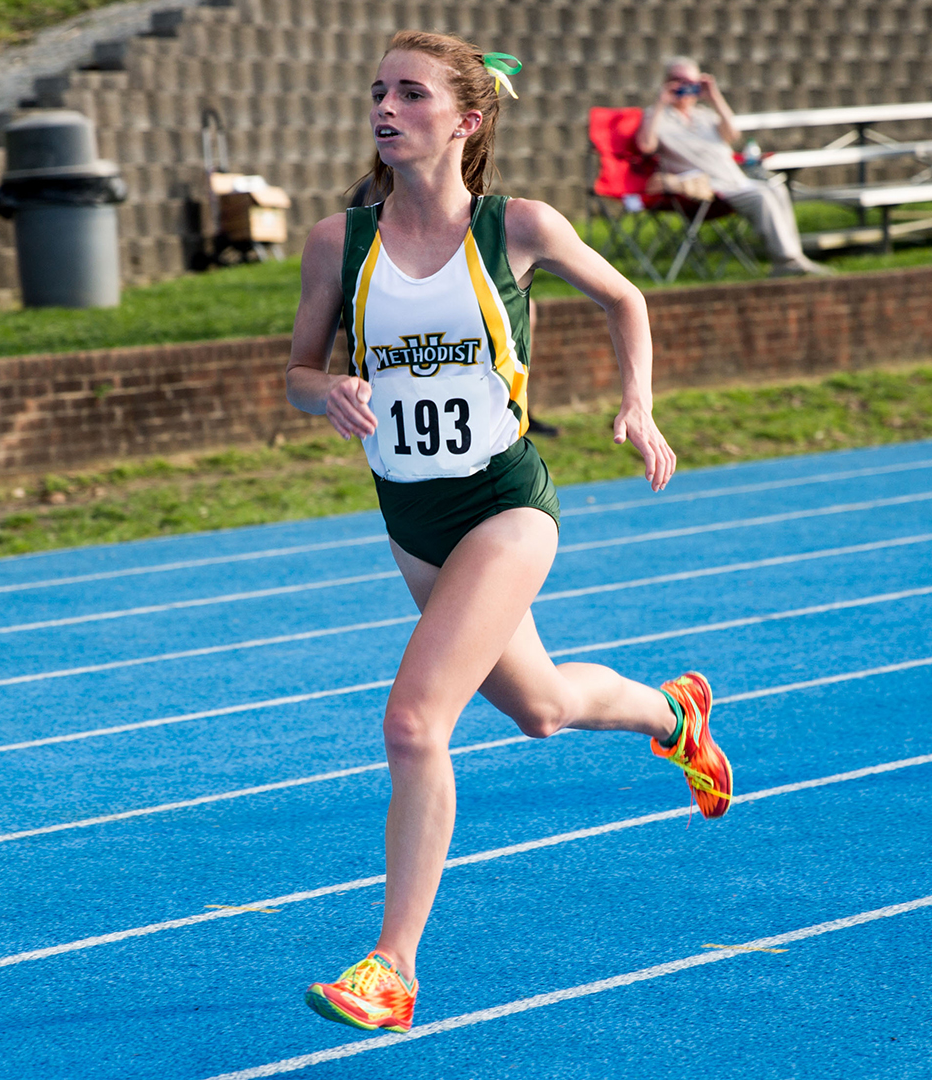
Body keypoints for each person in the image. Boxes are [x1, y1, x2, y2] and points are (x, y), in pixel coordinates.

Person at [285, 31, 731, 1034]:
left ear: (468, 120)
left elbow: (625, 298)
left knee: (414, 724)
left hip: (504, 504)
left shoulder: (517, 226)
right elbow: (298, 374)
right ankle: (674, 717)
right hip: (412, 518)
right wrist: (330, 391)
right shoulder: (337, 241)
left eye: (411, 93)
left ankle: (393, 968)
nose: (386, 108)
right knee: (539, 707)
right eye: (378, 91)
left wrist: (638, 404)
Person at [634, 56, 832, 276]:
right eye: (677, 79)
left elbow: (732, 135)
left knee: (776, 188)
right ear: (666, 81)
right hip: (705, 188)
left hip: (734, 180)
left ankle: (795, 258)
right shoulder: (655, 115)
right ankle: (787, 260)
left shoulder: (704, 115)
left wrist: (714, 96)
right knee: (762, 197)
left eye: (690, 81)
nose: (684, 85)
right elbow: (645, 146)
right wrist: (661, 102)